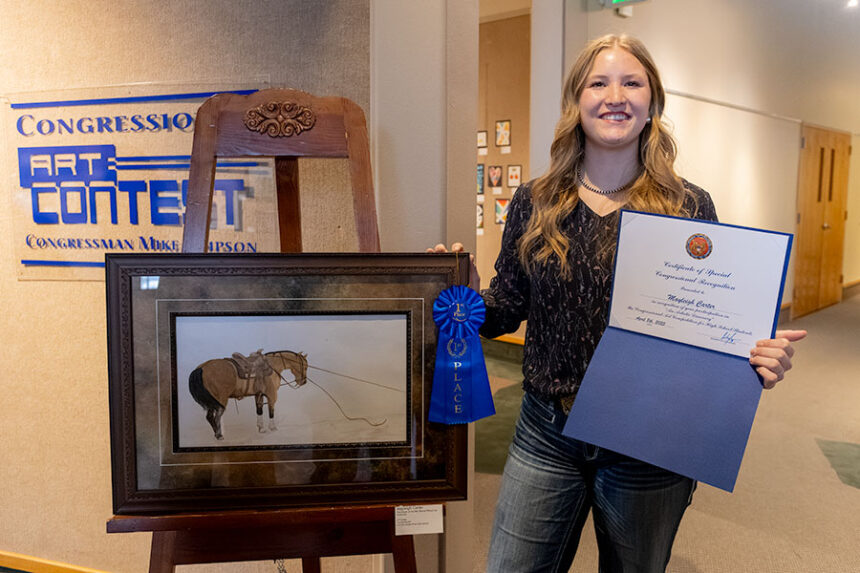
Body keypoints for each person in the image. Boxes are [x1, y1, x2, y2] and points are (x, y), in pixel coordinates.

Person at [429, 34, 807, 572]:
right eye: (598, 82)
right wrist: (462, 296)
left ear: (652, 102)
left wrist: (756, 357)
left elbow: (710, 322)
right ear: (576, 101)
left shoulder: (687, 206)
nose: (616, 95)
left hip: (649, 440)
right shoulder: (535, 201)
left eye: (632, 82)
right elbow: (507, 308)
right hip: (546, 433)